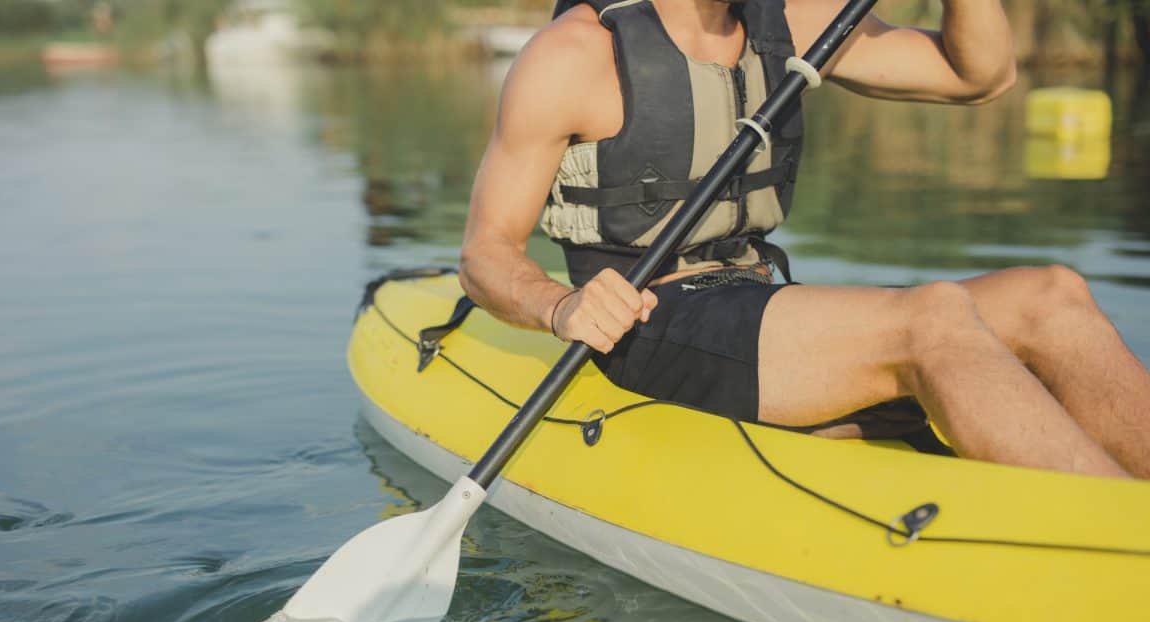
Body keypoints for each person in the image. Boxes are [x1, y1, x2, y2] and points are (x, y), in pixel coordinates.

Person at [458, 0, 1150, 479]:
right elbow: (485, 253)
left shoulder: (789, 18)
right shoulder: (575, 55)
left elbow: (979, 76)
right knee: (933, 318)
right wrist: (558, 307)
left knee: (1052, 296)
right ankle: (1117, 547)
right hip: (648, 322)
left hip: (758, 298)